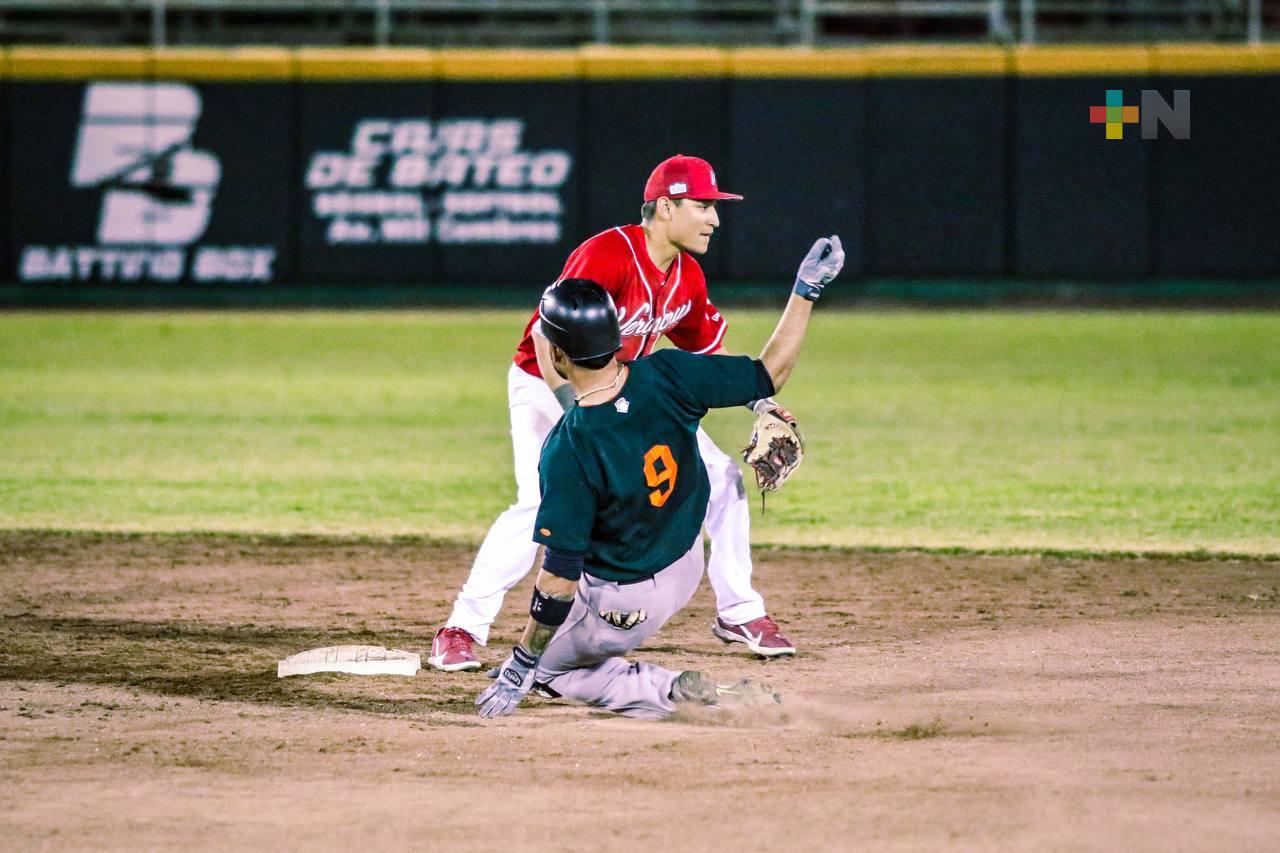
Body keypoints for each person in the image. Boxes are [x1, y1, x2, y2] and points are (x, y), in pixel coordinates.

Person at [431, 154, 804, 671]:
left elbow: (704, 357)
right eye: (704, 206)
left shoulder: (687, 275)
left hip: (630, 389)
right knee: (539, 501)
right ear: (667, 206)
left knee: (722, 478)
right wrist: (576, 414)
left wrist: (760, 401)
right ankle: (462, 627)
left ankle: (739, 609)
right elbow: (546, 336)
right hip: (549, 382)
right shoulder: (608, 254)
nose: (715, 219)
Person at [475, 235, 844, 719]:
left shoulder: (568, 448)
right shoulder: (668, 373)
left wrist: (523, 661)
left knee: (547, 669)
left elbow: (559, 578)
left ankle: (667, 691)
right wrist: (805, 290)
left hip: (625, 606)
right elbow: (769, 373)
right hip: (685, 563)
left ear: (560, 356)